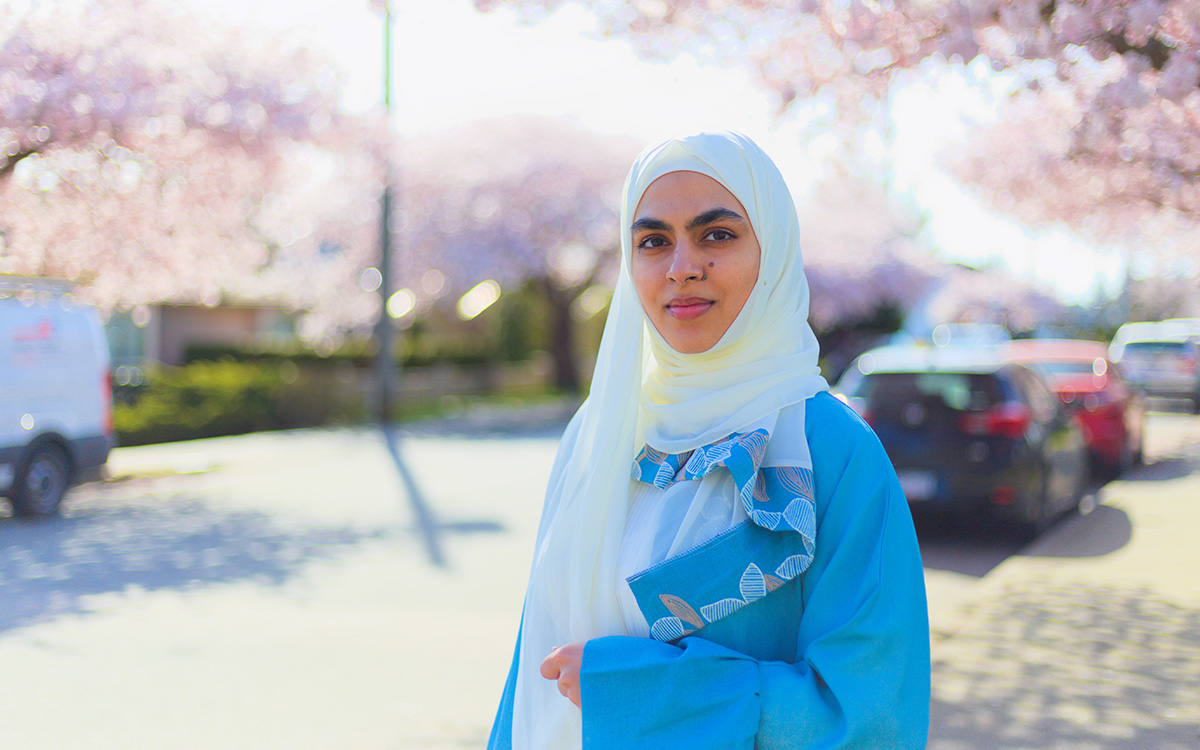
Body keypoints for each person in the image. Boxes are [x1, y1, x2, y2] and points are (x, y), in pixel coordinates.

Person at [487, 130, 930, 749]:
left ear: (770, 252)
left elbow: (869, 716)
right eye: (652, 241)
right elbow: (537, 651)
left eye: (716, 234)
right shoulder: (599, 433)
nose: (681, 266)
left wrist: (642, 689)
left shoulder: (830, 449)